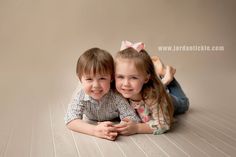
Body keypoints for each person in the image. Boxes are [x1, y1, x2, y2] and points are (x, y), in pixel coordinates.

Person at [64, 47, 140, 140]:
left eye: (102, 78)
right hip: (93, 122)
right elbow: (70, 120)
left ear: (111, 78)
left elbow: (132, 117)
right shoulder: (81, 95)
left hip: (113, 121)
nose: (96, 85)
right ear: (80, 79)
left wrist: (117, 127)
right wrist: (95, 130)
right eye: (89, 79)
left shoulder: (116, 96)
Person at [114, 41, 189, 135]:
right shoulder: (116, 93)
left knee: (184, 103)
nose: (126, 84)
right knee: (159, 86)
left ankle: (169, 78)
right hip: (152, 88)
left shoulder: (154, 97)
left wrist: (137, 128)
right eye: (120, 77)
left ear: (146, 78)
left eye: (133, 77)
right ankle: (164, 79)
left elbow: (163, 124)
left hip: (171, 100)